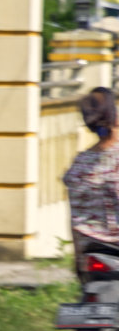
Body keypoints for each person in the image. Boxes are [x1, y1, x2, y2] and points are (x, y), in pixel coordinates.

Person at [65, 86, 119, 268]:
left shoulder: (79, 164)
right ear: (115, 117)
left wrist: (77, 259)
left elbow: (74, 218)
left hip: (87, 253)